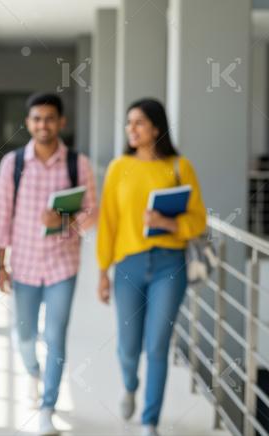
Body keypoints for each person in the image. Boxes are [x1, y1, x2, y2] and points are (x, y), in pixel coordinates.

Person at [96, 98, 206, 436]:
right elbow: (108, 222)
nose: (131, 129)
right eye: (129, 123)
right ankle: (130, 384)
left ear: (156, 128)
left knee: (158, 345)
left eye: (139, 122)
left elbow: (198, 220)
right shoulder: (118, 168)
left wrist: (167, 223)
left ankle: (150, 421)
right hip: (128, 265)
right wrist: (103, 271)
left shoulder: (179, 167)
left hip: (169, 266)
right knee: (128, 347)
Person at [0, 92, 97, 436]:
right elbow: (3, 215)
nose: (43, 125)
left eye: (49, 119)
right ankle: (33, 371)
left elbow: (91, 214)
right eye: (36, 119)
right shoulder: (13, 163)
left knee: (55, 336)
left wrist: (63, 221)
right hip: (22, 264)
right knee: (24, 335)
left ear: (61, 122)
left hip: (62, 265)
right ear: (28, 123)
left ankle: (48, 407)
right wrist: (1, 265)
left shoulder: (77, 164)